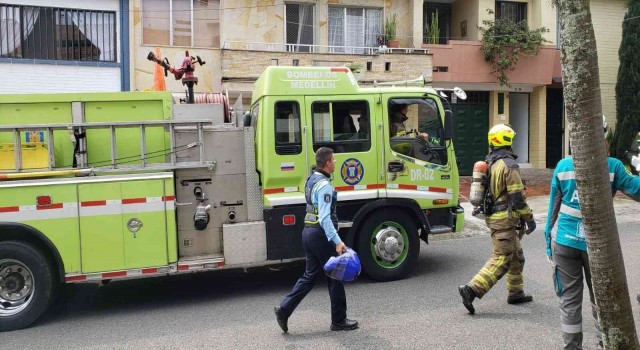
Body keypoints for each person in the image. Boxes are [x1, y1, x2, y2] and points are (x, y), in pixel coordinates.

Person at [544, 116, 640, 349]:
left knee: (569, 302)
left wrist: (549, 240)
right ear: (603, 136)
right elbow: (637, 191)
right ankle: (604, 342)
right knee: (602, 300)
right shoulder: (613, 166)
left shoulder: (563, 166)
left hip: (564, 242)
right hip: (597, 246)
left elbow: (552, 210)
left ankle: (572, 346)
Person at [274, 147, 358, 333]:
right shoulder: (325, 185)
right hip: (321, 235)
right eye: (334, 160)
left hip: (308, 232)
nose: (335, 162)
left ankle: (284, 309)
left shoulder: (311, 180)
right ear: (328, 163)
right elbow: (325, 218)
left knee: (310, 276)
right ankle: (339, 320)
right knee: (336, 275)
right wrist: (337, 241)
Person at [458, 124, 536, 314]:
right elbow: (517, 197)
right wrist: (530, 218)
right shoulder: (509, 165)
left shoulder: (490, 162)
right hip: (505, 220)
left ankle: (516, 293)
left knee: (516, 256)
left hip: (497, 218)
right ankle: (472, 289)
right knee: (502, 258)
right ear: (507, 141)